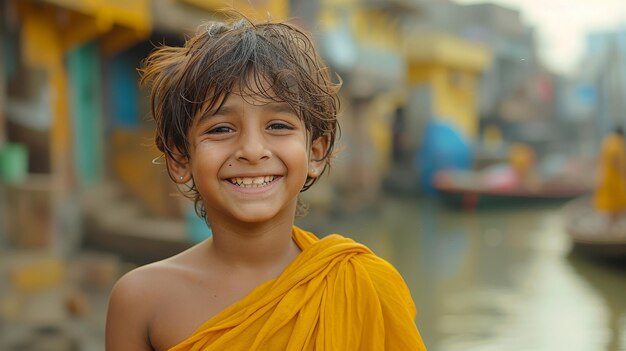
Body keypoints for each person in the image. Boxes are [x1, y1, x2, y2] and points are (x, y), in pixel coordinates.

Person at [105, 13, 427, 351]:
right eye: (221, 129)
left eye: (278, 126)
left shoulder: (363, 285)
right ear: (180, 159)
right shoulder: (141, 300)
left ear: (315, 153)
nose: (252, 151)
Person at [593, 127, 626, 227]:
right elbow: (615, 160)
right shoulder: (616, 142)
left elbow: (601, 160)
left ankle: (611, 225)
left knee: (611, 203)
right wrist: (623, 172)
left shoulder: (606, 141)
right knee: (617, 202)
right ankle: (613, 225)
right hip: (615, 178)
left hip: (606, 177)